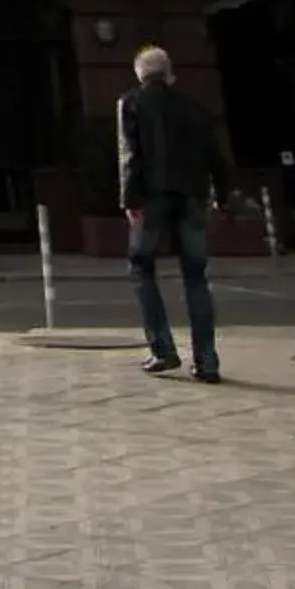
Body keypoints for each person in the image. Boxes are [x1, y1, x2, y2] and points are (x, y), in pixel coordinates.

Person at [119, 44, 235, 382]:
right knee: (196, 276)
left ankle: (163, 350)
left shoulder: (131, 103)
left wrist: (129, 200)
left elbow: (130, 154)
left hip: (152, 197)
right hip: (191, 197)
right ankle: (207, 360)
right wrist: (223, 196)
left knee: (141, 266)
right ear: (169, 73)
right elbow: (216, 155)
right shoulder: (194, 107)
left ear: (140, 74)